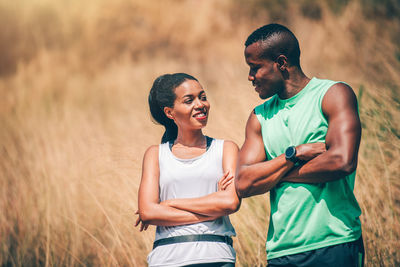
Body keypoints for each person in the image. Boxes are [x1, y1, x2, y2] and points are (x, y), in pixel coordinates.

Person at [235, 23, 364, 267]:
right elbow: (243, 182)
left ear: (281, 63)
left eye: (255, 68)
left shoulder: (333, 94)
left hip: (335, 242)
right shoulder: (259, 116)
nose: (250, 77)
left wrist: (275, 175)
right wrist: (295, 154)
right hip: (280, 251)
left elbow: (342, 161)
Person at [136, 73, 241, 267]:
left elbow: (230, 202)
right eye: (189, 100)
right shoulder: (155, 155)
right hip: (167, 259)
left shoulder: (226, 149)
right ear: (170, 112)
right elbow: (148, 212)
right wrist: (212, 207)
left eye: (202, 97)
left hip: (216, 256)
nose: (201, 104)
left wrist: (169, 204)